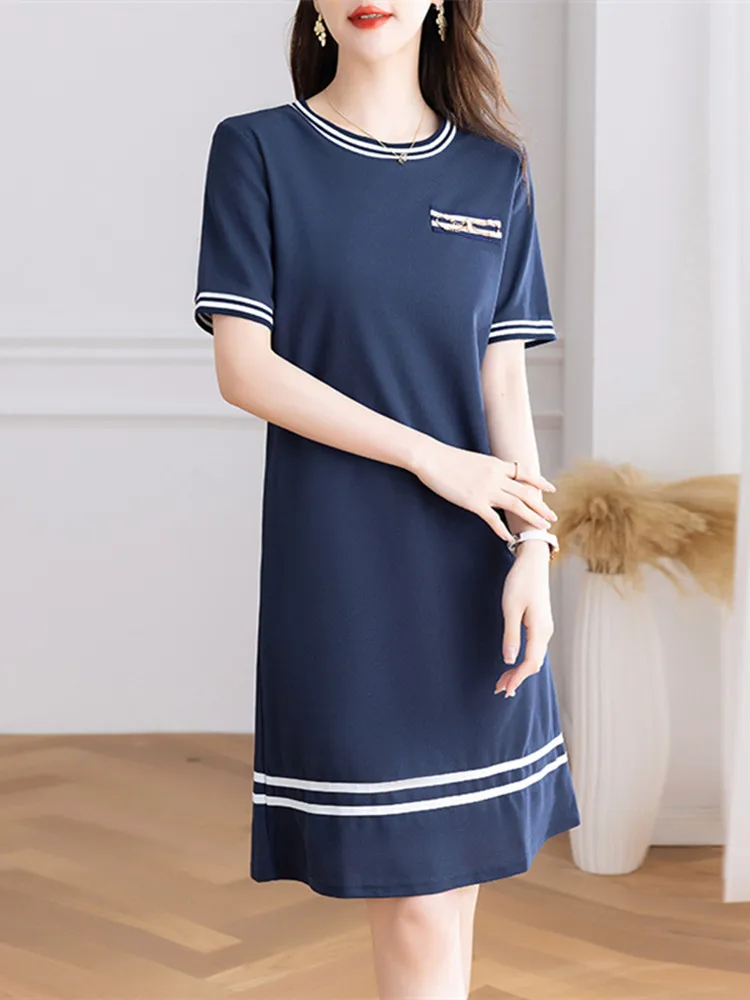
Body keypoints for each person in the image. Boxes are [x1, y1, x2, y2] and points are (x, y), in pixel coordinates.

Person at [192, 1, 581, 996]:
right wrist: (428, 458)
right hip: (345, 575)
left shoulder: (496, 173)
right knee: (414, 891)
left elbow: (503, 385)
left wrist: (535, 554)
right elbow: (245, 368)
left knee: (446, 895)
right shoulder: (258, 151)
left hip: (477, 574)